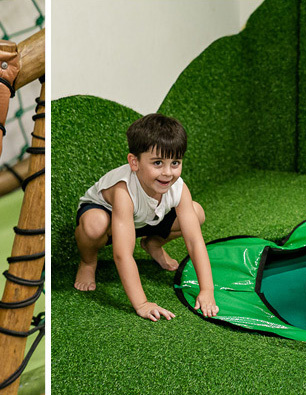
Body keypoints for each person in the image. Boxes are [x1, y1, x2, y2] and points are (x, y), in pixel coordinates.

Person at [72, 113, 218, 321]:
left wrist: (207, 290)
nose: (168, 172)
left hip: (145, 219)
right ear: (134, 162)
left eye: (175, 162)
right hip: (109, 216)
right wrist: (142, 303)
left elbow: (194, 241)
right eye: (157, 163)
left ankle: (153, 244)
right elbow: (122, 254)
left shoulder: (178, 187)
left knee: (196, 213)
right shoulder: (123, 191)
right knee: (94, 225)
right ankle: (88, 262)